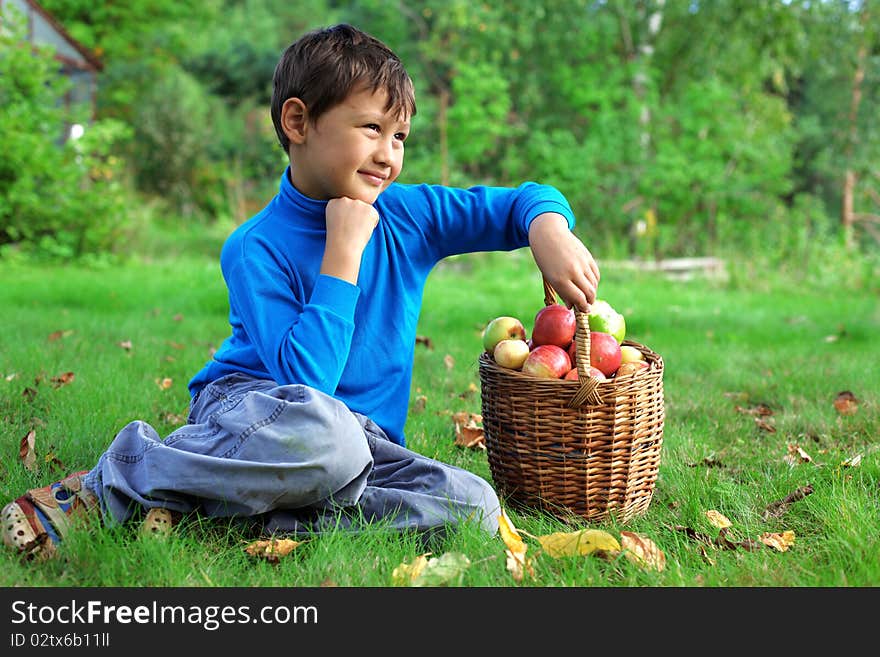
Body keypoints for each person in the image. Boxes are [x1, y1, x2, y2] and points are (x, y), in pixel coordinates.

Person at [2, 23, 600, 560]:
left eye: (400, 137)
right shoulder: (254, 247)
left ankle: (237, 511)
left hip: (363, 448)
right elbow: (307, 382)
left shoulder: (411, 215)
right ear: (298, 122)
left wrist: (547, 227)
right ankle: (118, 479)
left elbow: (519, 200)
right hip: (262, 412)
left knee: (474, 505)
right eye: (371, 128)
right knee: (327, 438)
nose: (389, 156)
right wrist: (342, 255)